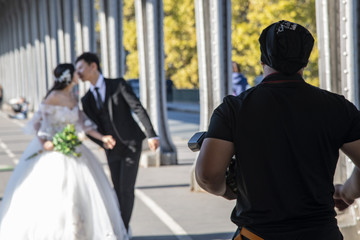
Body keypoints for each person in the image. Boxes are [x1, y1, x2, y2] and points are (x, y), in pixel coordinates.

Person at [195, 20, 360, 240]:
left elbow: (207, 175)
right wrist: (346, 193)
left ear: (262, 58)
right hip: (321, 233)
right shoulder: (338, 108)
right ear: (306, 60)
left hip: (258, 234)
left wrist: (227, 190)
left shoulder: (233, 109)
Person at [0, 64, 129, 240]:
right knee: (58, 193)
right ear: (69, 77)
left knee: (80, 193)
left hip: (74, 148)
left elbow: (83, 125)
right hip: (53, 149)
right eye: (77, 72)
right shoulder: (53, 97)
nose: (79, 74)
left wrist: (102, 137)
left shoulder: (73, 97)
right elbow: (37, 122)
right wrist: (44, 141)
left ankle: (79, 233)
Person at [75, 52, 160, 232]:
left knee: (126, 189)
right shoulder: (86, 100)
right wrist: (102, 143)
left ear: (93, 66)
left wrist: (152, 134)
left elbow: (137, 108)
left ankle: (123, 228)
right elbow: (90, 128)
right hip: (112, 149)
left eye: (81, 67)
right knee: (117, 189)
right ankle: (120, 226)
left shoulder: (118, 84)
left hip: (131, 144)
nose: (78, 72)